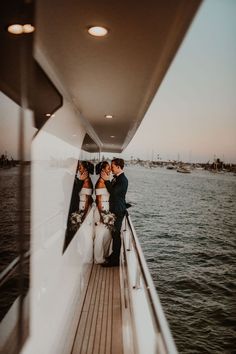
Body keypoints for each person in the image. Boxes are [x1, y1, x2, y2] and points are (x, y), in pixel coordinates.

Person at [101, 158, 128, 267]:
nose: (111, 168)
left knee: (116, 235)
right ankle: (113, 256)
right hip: (115, 209)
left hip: (118, 211)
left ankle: (115, 261)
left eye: (112, 166)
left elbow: (114, 193)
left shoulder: (123, 179)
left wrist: (106, 180)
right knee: (113, 234)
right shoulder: (117, 178)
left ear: (118, 167)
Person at [94, 161, 113, 264]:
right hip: (102, 211)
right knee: (100, 235)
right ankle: (98, 258)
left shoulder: (105, 181)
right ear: (102, 170)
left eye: (110, 168)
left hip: (107, 210)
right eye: (108, 168)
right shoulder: (100, 183)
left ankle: (105, 255)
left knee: (107, 234)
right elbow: (99, 201)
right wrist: (102, 216)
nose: (109, 170)